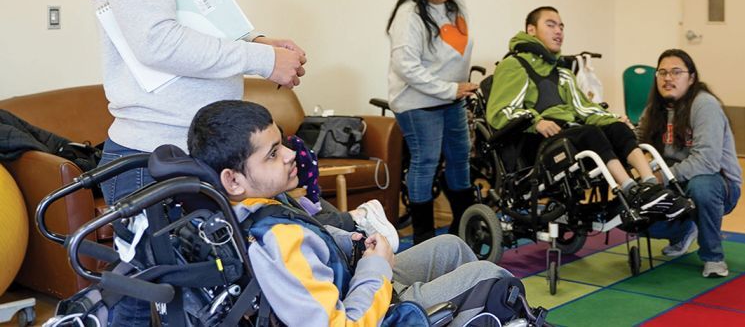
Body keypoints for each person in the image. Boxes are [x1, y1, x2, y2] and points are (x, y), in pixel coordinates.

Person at [91, 0, 305, 325]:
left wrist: (257, 45)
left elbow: (202, 27)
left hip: (190, 152)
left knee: (205, 310)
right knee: (141, 313)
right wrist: (261, 64)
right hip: (151, 158)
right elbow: (155, 40)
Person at [188, 100, 515, 327]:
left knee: (451, 247)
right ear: (233, 179)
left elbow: (315, 236)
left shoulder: (261, 205)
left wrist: (352, 241)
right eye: (273, 154)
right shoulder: (276, 240)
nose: (290, 155)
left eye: (282, 143)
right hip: (373, 313)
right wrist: (375, 267)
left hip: (354, 283)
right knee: (489, 277)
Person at [486, 6, 691, 222]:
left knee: (617, 128)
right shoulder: (514, 65)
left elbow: (584, 110)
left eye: (562, 26)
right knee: (590, 133)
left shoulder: (563, 72)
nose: (559, 31)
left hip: (571, 137)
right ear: (531, 30)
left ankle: (650, 186)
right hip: (537, 144)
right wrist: (537, 122)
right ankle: (631, 191)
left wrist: (612, 118)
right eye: (551, 24)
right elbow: (499, 112)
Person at [386, 0, 477, 245]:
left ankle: (464, 225)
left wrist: (454, 91)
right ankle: (424, 236)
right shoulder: (409, 16)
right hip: (417, 102)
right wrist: (450, 89)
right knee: (426, 161)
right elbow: (406, 67)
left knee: (460, 157)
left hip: (452, 96)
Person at [637, 49, 743, 278]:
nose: (668, 78)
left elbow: (707, 162)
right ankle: (684, 230)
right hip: (677, 182)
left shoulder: (704, 105)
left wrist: (660, 176)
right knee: (636, 210)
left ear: (692, 77)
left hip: (719, 184)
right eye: (662, 72)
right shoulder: (655, 108)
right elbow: (639, 142)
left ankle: (713, 257)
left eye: (676, 72)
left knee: (701, 187)